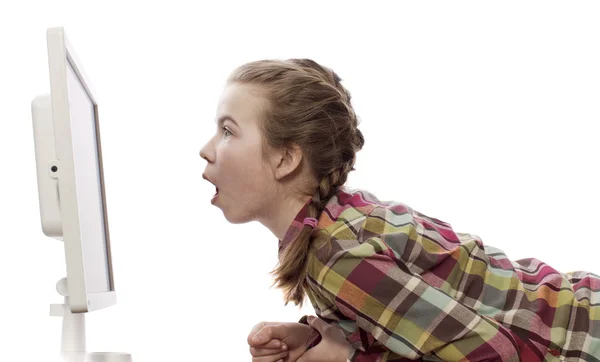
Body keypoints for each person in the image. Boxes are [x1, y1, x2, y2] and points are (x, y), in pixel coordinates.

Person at [199, 58, 600, 362]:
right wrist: (321, 337)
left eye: (228, 130)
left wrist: (349, 357)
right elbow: (415, 317)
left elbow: (495, 354)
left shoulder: (333, 254)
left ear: (286, 158)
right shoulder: (339, 221)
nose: (207, 149)